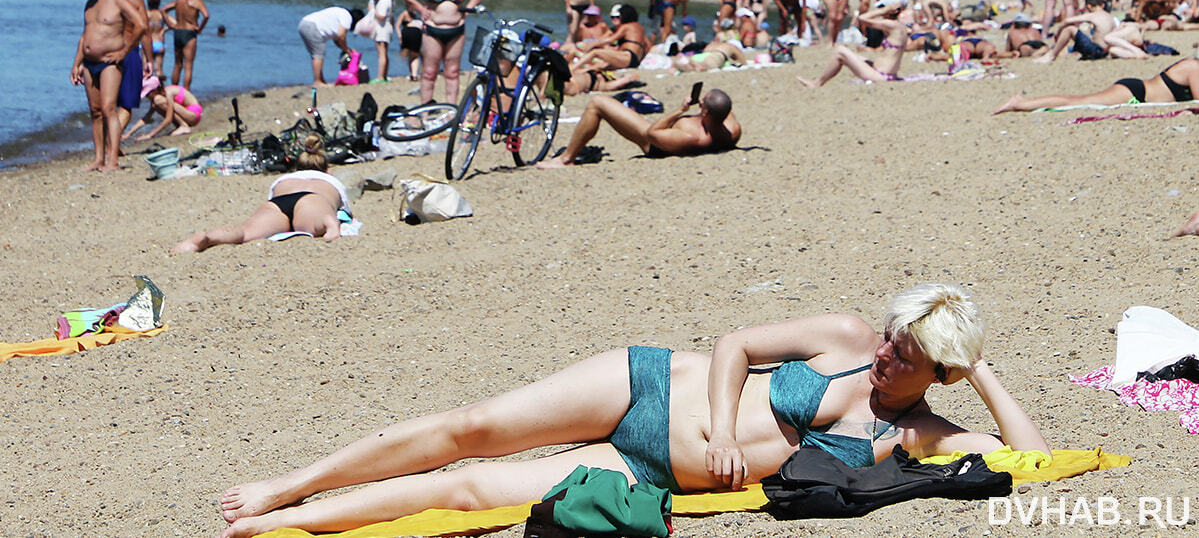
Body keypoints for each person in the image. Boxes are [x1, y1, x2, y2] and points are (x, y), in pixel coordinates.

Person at [215, 283, 1048, 538]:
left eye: (909, 353)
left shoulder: (924, 432)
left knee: (475, 492)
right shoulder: (841, 335)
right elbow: (733, 345)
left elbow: (1033, 458)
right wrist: (723, 430)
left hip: (646, 470)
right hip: (647, 384)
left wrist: (984, 376)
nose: (887, 351)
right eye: (895, 334)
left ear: (941, 372)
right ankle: (287, 487)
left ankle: (279, 529)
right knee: (465, 427)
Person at [172, 136, 352, 254]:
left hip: (277, 203)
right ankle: (329, 225)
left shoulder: (285, 179)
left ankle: (207, 238)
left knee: (244, 231)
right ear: (327, 170)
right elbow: (343, 209)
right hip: (311, 199)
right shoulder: (330, 180)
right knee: (322, 219)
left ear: (297, 167)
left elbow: (271, 196)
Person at [537, 87, 740, 170]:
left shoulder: (692, 135)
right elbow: (724, 108)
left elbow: (651, 134)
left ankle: (566, 159)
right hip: (672, 136)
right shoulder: (732, 130)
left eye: (702, 104)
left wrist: (680, 110)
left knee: (597, 102)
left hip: (654, 145)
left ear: (704, 113)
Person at [70, 0, 148, 172]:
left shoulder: (118, 1)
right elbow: (85, 35)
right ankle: (98, 159)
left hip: (109, 63)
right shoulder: (89, 4)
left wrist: (124, 51)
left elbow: (142, 25)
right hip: (89, 64)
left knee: (108, 109)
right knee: (95, 111)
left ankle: (113, 160)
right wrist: (76, 63)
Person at [400, 0, 485, 105]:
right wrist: (420, 9)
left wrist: (467, 11)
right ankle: (425, 109)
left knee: (452, 72)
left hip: (457, 30)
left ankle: (451, 109)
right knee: (429, 72)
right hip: (432, 29)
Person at [994, 58, 1199, 114]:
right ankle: (1021, 103)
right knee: (1079, 102)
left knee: (1080, 100)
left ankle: (1022, 103)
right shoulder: (1193, 67)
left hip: (1139, 90)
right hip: (1136, 93)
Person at [797, 0, 908, 88]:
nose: (879, 10)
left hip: (880, 76)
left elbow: (862, 18)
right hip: (888, 74)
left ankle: (817, 83)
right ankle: (818, 81)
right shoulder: (899, 26)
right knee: (856, 57)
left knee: (840, 51)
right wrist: (886, 10)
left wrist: (884, 10)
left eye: (882, 7)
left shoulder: (891, 25)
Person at [107, 0, 154, 133]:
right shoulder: (135, 0)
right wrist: (149, 60)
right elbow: (145, 31)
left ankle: (110, 143)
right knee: (126, 105)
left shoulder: (101, 0)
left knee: (107, 105)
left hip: (106, 53)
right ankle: (112, 144)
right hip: (130, 53)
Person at [1035, 0, 1148, 64]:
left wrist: (1058, 33)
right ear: (1102, 5)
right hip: (1106, 51)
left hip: (1096, 50)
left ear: (1089, 6)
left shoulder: (1092, 15)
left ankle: (1051, 55)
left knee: (1069, 29)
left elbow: (1067, 21)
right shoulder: (1111, 17)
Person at [297, 6, 366, 86]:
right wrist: (346, 50)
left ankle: (321, 80)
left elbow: (337, 40)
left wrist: (347, 50)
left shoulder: (340, 13)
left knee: (317, 54)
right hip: (313, 26)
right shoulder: (347, 17)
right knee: (318, 55)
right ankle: (317, 81)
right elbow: (341, 35)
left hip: (304, 23)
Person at [164, 0, 210, 91]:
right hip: (189, 33)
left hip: (178, 32)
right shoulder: (197, 2)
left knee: (177, 64)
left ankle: (173, 90)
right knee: (188, 65)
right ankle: (186, 92)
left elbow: (164, 10)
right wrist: (200, 28)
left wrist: (170, 23)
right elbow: (206, 15)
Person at [571, 4, 649, 71]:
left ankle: (572, 69)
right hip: (635, 60)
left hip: (628, 56)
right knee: (601, 66)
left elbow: (611, 39)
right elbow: (647, 45)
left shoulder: (626, 26)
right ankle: (581, 71)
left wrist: (592, 44)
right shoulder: (639, 28)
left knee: (595, 53)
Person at [122, 76, 203, 140]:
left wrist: (150, 135)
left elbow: (168, 119)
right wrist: (128, 134)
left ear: (155, 90)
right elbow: (146, 118)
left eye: (148, 94)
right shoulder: (158, 98)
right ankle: (182, 125)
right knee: (156, 104)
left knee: (158, 101)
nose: (147, 96)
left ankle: (183, 126)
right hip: (186, 114)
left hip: (193, 114)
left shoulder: (168, 93)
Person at [363, 0, 393, 83]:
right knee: (384, 52)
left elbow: (381, 17)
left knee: (381, 53)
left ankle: (380, 77)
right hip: (386, 27)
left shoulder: (385, 1)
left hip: (382, 28)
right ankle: (384, 75)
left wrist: (372, 9)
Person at [395, 6, 423, 82]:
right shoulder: (420, 12)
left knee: (409, 54)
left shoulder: (404, 13)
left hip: (406, 32)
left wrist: (400, 36)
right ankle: (414, 75)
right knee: (415, 55)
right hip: (416, 32)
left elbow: (397, 26)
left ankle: (412, 74)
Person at [146, 0, 168, 78]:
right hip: (159, 43)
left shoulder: (147, 14)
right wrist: (163, 30)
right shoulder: (161, 14)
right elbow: (174, 24)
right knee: (159, 70)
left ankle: (144, 90)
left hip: (148, 43)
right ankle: (161, 90)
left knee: (146, 70)